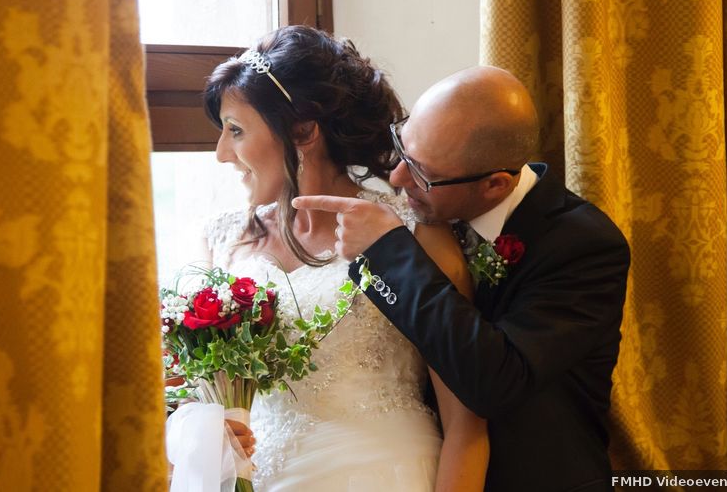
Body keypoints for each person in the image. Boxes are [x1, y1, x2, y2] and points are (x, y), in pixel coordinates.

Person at [293, 65, 631, 492]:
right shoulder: (433, 216)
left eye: (419, 173)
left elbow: (494, 381)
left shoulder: (584, 246)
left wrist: (388, 253)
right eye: (402, 146)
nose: (397, 178)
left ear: (494, 185)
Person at [199, 26, 489, 491]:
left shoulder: (413, 232)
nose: (221, 154)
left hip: (381, 474)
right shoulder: (225, 238)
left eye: (235, 130)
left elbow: (467, 425)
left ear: (304, 131)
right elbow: (207, 391)